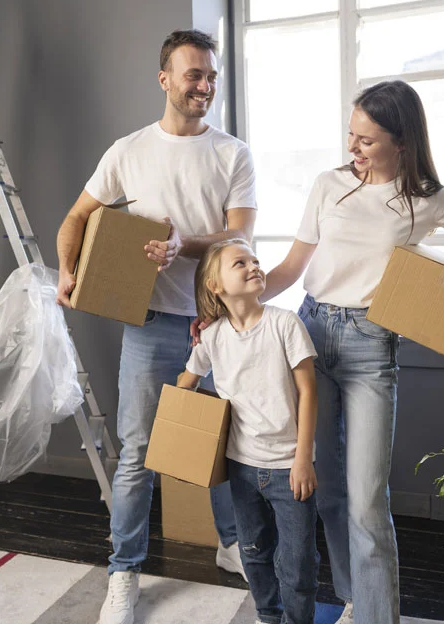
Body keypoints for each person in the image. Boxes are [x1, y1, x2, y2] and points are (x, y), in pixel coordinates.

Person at [259, 80, 444, 624]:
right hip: (312, 333)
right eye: (350, 135)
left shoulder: (429, 200)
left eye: (366, 140)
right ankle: (353, 601)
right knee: (330, 492)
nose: (352, 149)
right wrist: (231, 306)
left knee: (366, 502)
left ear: (401, 141)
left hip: (371, 347)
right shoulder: (328, 185)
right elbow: (291, 270)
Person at [54, 29, 257, 624]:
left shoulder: (232, 153)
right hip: (147, 324)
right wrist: (69, 271)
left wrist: (182, 245)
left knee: (224, 441)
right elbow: (76, 218)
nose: (205, 86)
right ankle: (124, 573)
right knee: (140, 454)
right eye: (194, 75)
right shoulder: (128, 152)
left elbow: (239, 237)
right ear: (164, 79)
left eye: (212, 76)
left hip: (216, 323)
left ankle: (230, 546)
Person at [180, 238, 319, 624]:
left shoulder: (285, 324)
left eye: (255, 260)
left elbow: (308, 393)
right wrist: (180, 420)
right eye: (240, 263)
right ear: (216, 286)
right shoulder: (212, 337)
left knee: (298, 562)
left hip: (289, 468)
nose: (254, 266)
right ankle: (267, 616)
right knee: (254, 551)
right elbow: (185, 383)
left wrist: (303, 459)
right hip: (240, 467)